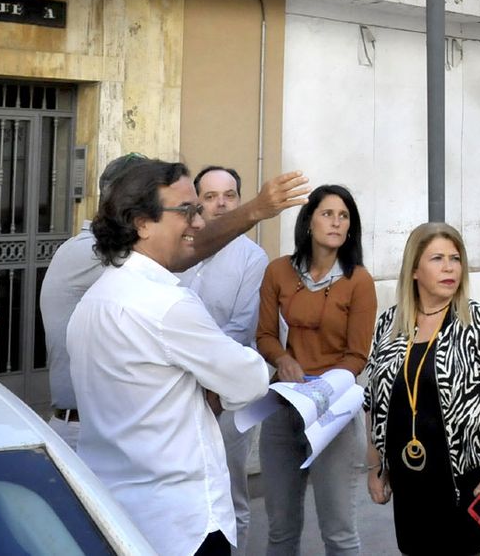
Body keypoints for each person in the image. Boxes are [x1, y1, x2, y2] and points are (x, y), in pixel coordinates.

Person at [68, 158, 270, 556]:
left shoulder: (94, 300)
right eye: (187, 210)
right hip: (184, 522)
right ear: (141, 222)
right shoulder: (166, 303)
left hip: (118, 513)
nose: (198, 223)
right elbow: (250, 380)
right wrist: (213, 385)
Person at [40, 157, 308, 449]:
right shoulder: (88, 252)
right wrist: (255, 209)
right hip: (82, 429)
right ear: (136, 215)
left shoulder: (131, 277)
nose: (196, 222)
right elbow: (192, 250)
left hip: (115, 428)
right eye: (184, 210)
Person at [365, 222, 480, 556]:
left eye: (455, 258)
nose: (449, 267)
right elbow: (373, 400)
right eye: (437, 258)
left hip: (461, 480)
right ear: (415, 270)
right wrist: (375, 466)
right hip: (408, 479)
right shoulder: (389, 324)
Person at [256, 185, 377, 556]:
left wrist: (322, 389)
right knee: (281, 530)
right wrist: (282, 360)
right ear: (308, 222)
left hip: (332, 412)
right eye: (328, 214)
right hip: (282, 407)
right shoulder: (278, 270)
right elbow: (264, 335)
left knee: (338, 533)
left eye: (344, 217)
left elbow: (357, 356)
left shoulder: (358, 281)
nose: (337, 223)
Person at [181, 165, 270, 552]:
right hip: (181, 393)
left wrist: (211, 390)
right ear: (196, 202)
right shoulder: (182, 251)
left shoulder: (253, 258)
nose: (220, 204)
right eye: (211, 196)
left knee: (233, 493)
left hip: (232, 400)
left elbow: (240, 329)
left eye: (229, 196)